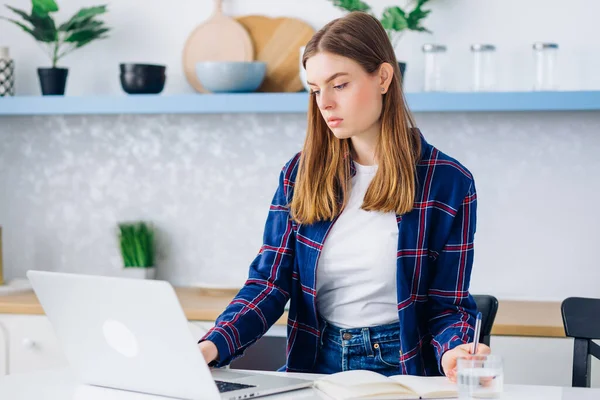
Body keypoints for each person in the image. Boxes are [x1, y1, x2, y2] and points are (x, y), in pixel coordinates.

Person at [198, 11, 490, 380]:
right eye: (316, 90)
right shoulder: (299, 174)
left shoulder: (448, 182)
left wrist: (455, 350)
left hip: (401, 369)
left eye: (340, 85)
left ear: (383, 77)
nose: (325, 104)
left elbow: (446, 306)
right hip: (315, 362)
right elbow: (268, 284)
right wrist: (209, 347)